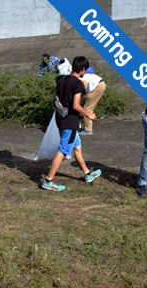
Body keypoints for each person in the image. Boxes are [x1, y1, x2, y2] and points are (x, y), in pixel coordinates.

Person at [41, 56, 101, 191]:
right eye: (85, 70)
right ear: (83, 69)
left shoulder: (61, 80)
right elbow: (76, 105)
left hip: (60, 119)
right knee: (63, 151)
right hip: (70, 123)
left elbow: (53, 102)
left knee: (77, 146)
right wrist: (89, 115)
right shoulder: (78, 84)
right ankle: (48, 180)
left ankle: (87, 174)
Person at [79, 67, 106, 135]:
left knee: (87, 108)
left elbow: (79, 93)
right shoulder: (81, 76)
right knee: (87, 107)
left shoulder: (78, 79)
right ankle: (87, 128)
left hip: (97, 86)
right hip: (100, 83)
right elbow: (80, 94)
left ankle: (88, 130)